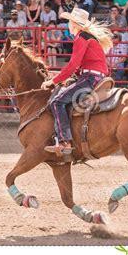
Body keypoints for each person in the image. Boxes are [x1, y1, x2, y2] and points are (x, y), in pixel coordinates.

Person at [40, 8, 113, 155]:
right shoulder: (90, 38)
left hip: (89, 78)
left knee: (57, 102)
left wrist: (53, 81)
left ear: (74, 23)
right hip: (97, 76)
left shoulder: (81, 38)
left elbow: (73, 65)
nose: (68, 24)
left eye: (69, 21)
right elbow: (79, 66)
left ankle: (64, 141)